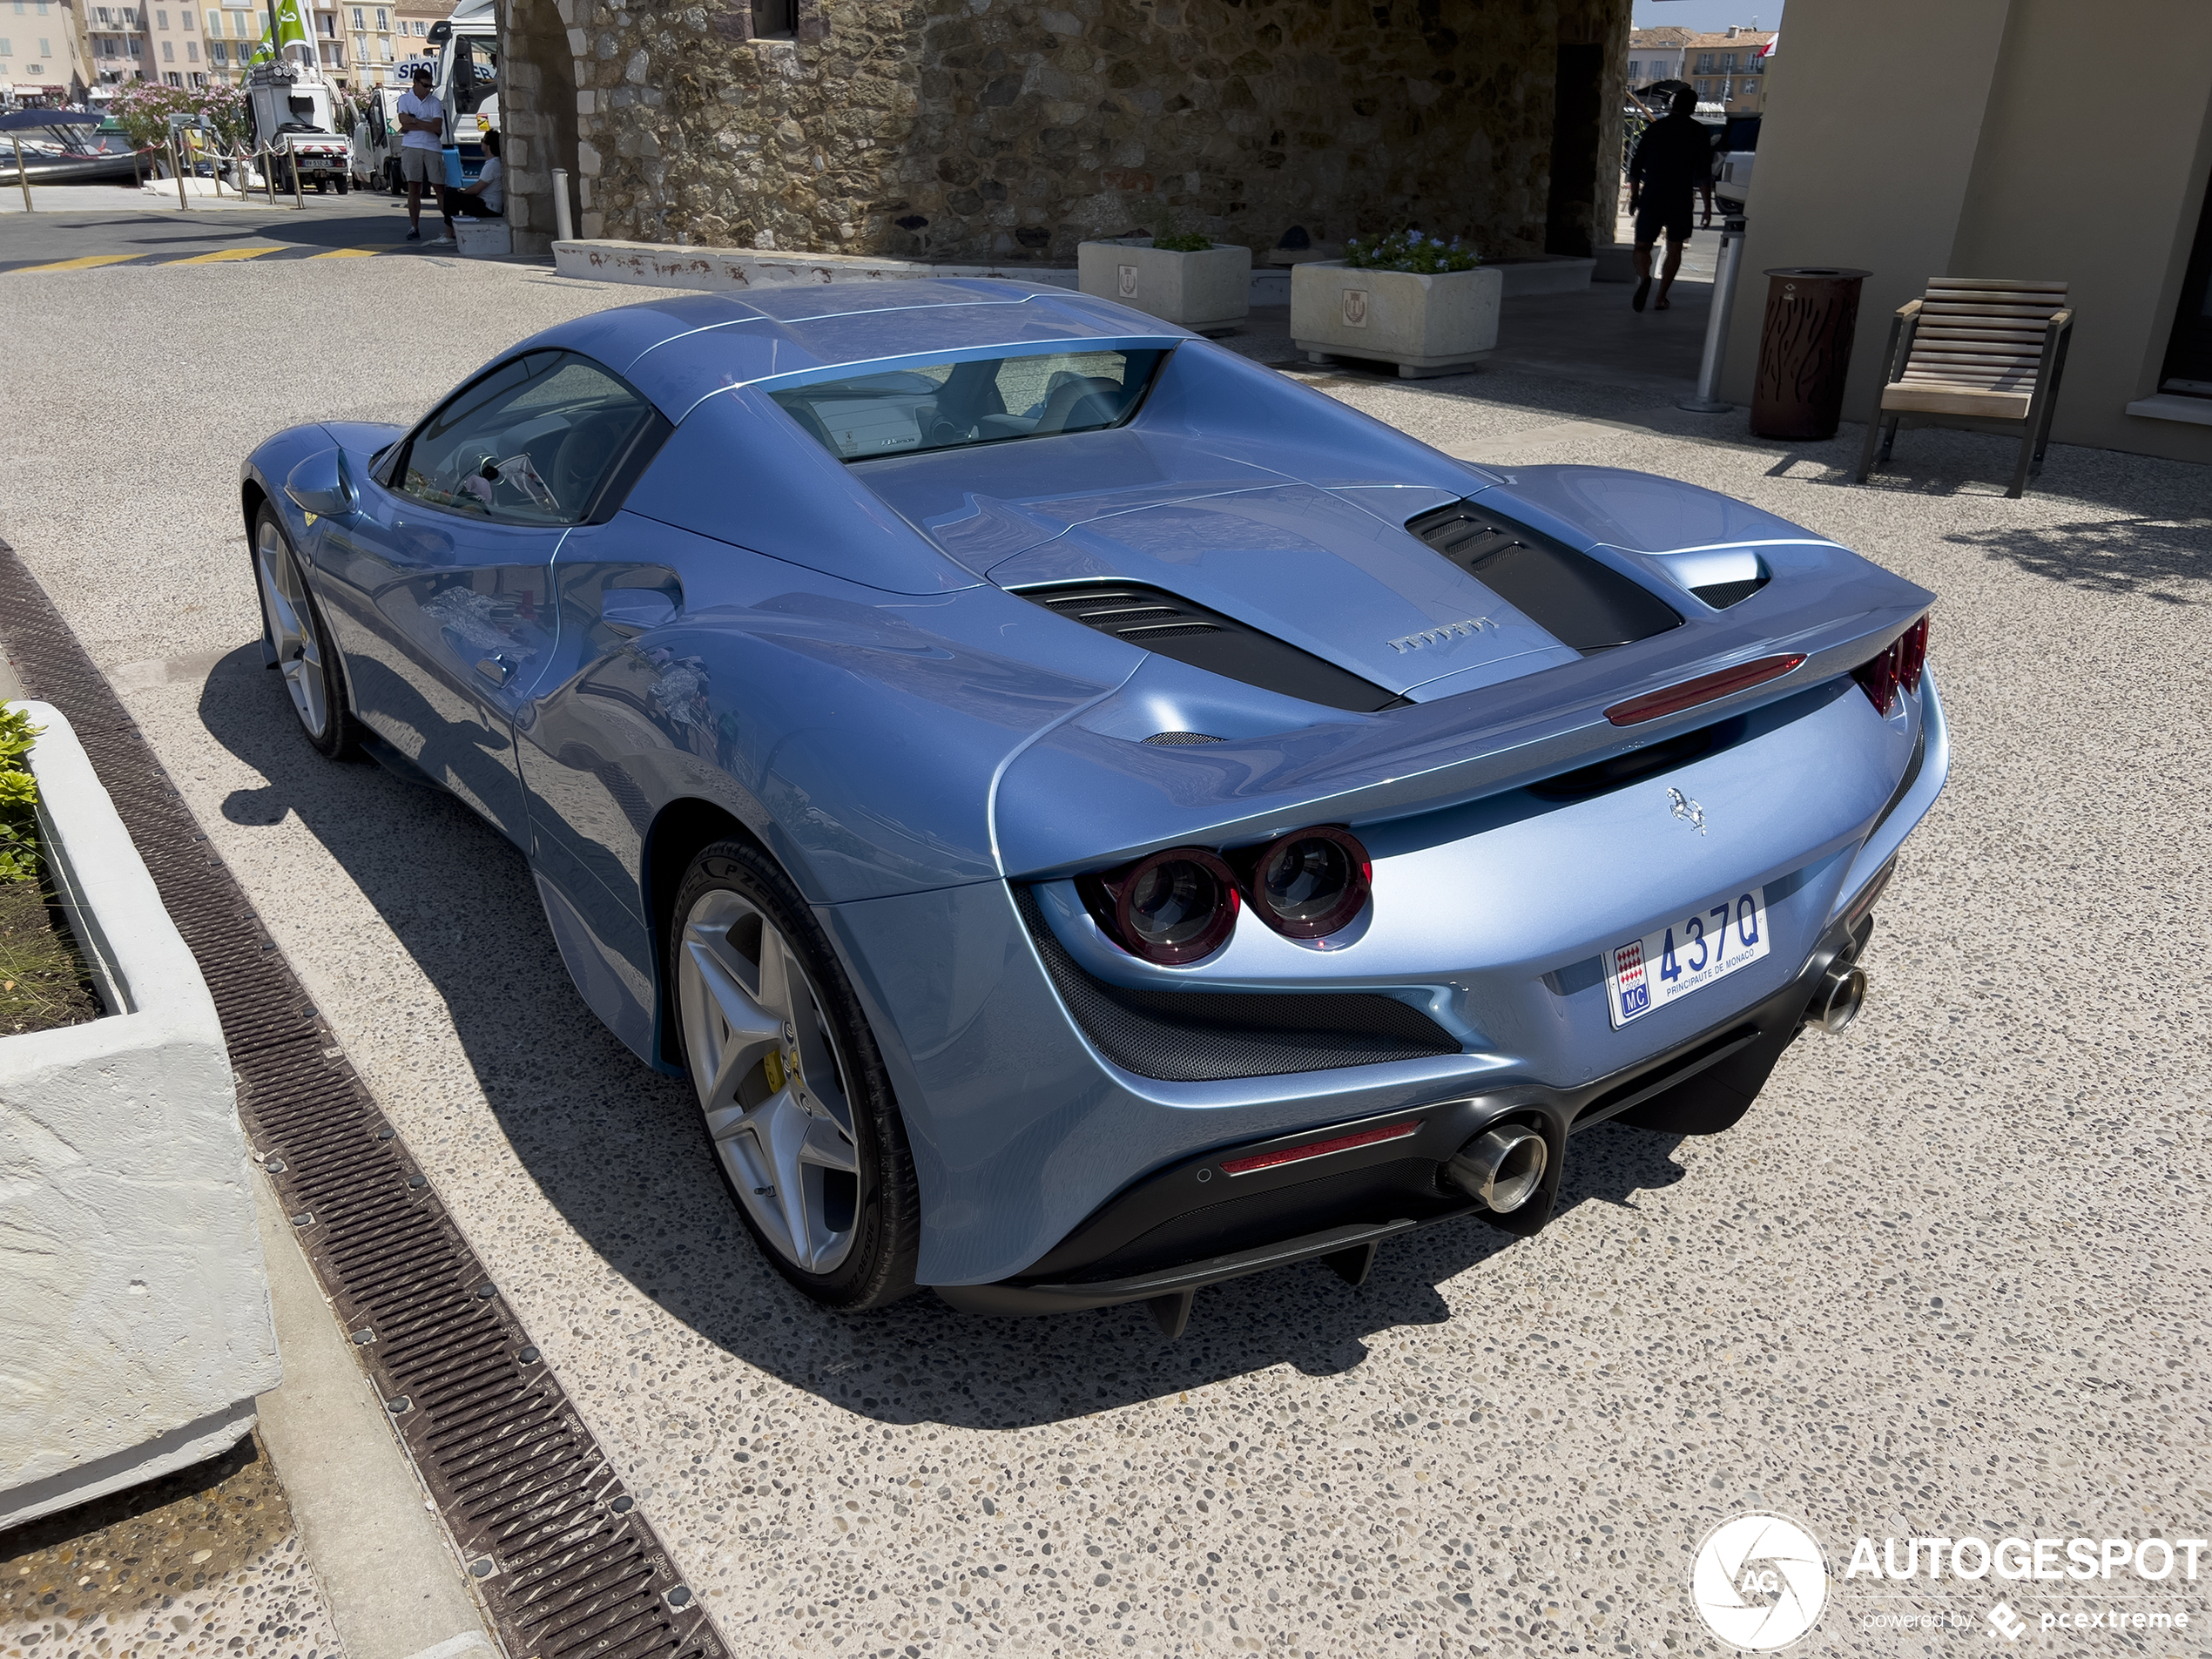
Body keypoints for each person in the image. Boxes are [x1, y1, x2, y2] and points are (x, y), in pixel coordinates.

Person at [1626, 88, 1716, 313]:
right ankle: (1661, 297)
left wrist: (1635, 196)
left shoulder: (1655, 129)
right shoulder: (1699, 132)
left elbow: (1635, 168)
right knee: (1675, 248)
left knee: (1642, 246)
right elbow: (1704, 174)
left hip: (1653, 195)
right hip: (1680, 197)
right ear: (1693, 107)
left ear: (1673, 104)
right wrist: (1706, 207)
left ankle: (1645, 276)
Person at [395, 64, 450, 243]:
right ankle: (414, 227)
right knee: (414, 187)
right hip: (412, 146)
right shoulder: (404, 99)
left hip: (432, 146)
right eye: (425, 86)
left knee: (439, 187)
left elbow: (437, 127)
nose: (428, 90)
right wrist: (424, 124)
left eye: (430, 86)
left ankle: (449, 227)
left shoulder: (434, 102)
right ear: (415, 83)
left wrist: (415, 121)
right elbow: (402, 122)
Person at [448, 127, 502, 219]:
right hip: (486, 203)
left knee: (450, 197)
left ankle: (450, 230)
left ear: (487, 145)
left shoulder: (493, 165)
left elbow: (477, 189)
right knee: (456, 196)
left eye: (482, 141)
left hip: (489, 206)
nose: (481, 143)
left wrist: (462, 193)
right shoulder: (493, 163)